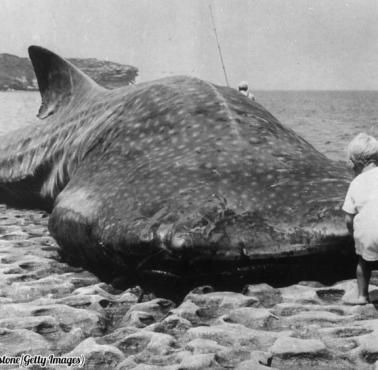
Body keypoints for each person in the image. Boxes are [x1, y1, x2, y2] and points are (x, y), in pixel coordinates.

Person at [343, 133, 378, 304]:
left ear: (354, 163)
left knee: (363, 263)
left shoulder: (355, 183)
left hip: (368, 236)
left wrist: (353, 234)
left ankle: (362, 296)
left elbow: (349, 218)